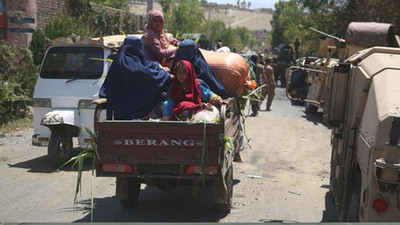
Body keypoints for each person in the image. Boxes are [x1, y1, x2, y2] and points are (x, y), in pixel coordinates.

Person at [100, 36, 171, 120]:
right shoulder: (135, 69)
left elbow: (146, 64)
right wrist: (165, 74)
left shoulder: (117, 65)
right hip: (133, 118)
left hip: (115, 117)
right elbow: (151, 77)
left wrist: (156, 65)